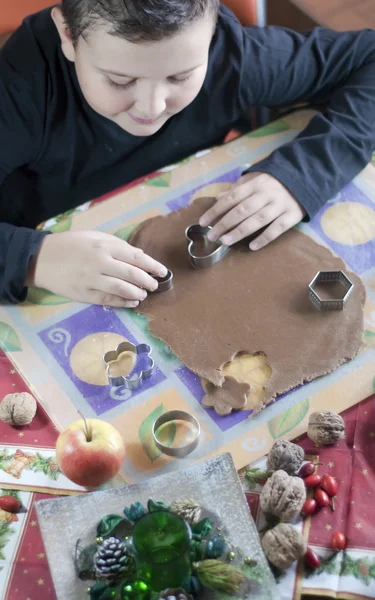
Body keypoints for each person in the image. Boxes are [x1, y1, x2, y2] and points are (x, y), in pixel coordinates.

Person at [1, 0, 374, 307]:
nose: (151, 107)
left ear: (210, 33)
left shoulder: (231, 55)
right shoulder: (18, 85)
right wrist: (32, 258)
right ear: (68, 34)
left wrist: (302, 175)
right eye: (119, 80)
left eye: (180, 77)